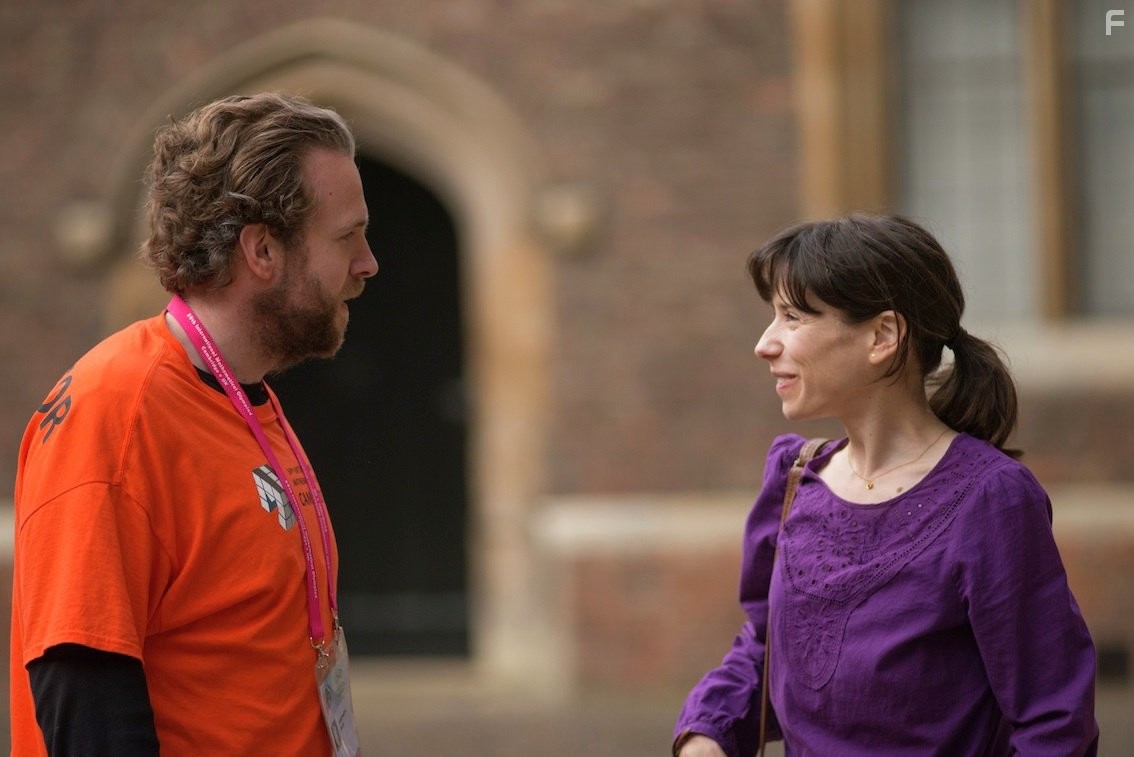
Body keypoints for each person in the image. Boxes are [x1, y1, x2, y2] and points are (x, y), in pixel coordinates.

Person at [9, 92, 378, 755]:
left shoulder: (246, 397)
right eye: (347, 236)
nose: (367, 263)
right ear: (263, 250)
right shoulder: (116, 411)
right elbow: (84, 696)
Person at [673, 215, 1099, 756]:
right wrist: (707, 735)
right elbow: (764, 647)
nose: (765, 344)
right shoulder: (794, 479)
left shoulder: (992, 500)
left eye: (792, 317)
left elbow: (1053, 721)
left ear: (883, 336)